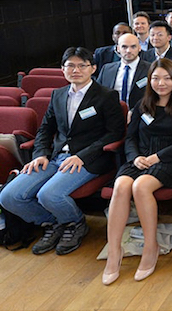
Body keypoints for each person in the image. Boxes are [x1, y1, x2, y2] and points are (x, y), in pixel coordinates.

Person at [0, 47, 125, 256]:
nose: (75, 70)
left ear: (93, 68)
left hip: (88, 159)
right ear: (62, 69)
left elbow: (114, 133)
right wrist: (40, 153)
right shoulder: (58, 95)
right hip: (56, 157)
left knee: (49, 194)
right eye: (70, 66)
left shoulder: (106, 96)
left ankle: (76, 223)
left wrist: (82, 156)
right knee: (9, 196)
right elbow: (45, 130)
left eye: (81, 65)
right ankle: (53, 223)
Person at [102, 59, 172, 285]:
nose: (161, 83)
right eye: (156, 78)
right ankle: (115, 251)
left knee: (140, 186)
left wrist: (158, 157)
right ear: (149, 81)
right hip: (141, 157)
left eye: (166, 78)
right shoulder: (141, 104)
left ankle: (150, 246)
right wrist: (135, 157)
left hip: (171, 159)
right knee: (121, 185)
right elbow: (131, 137)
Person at [97, 33, 151, 109]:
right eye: (124, 47)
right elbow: (97, 94)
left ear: (139, 48)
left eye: (133, 47)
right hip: (111, 114)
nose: (128, 51)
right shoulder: (107, 69)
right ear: (118, 48)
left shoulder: (151, 69)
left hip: (140, 113)